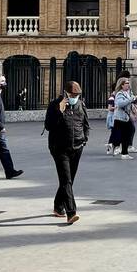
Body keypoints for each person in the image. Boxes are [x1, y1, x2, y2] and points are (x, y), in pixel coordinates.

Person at [46, 80, 90, 225]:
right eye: (72, 94)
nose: (74, 97)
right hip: (59, 148)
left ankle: (58, 207)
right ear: (65, 93)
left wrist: (84, 139)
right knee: (66, 180)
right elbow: (48, 125)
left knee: (69, 180)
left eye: (76, 95)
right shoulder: (55, 104)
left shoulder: (81, 105)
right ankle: (71, 213)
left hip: (77, 147)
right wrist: (60, 110)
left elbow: (86, 125)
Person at [110, 77, 137, 159]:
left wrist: (135, 99)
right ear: (122, 85)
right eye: (126, 83)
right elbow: (120, 104)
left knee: (127, 133)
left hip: (126, 117)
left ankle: (124, 152)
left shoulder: (128, 92)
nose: (128, 84)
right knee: (123, 134)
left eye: (128, 83)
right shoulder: (119, 94)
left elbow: (130, 101)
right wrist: (130, 99)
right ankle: (121, 151)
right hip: (120, 117)